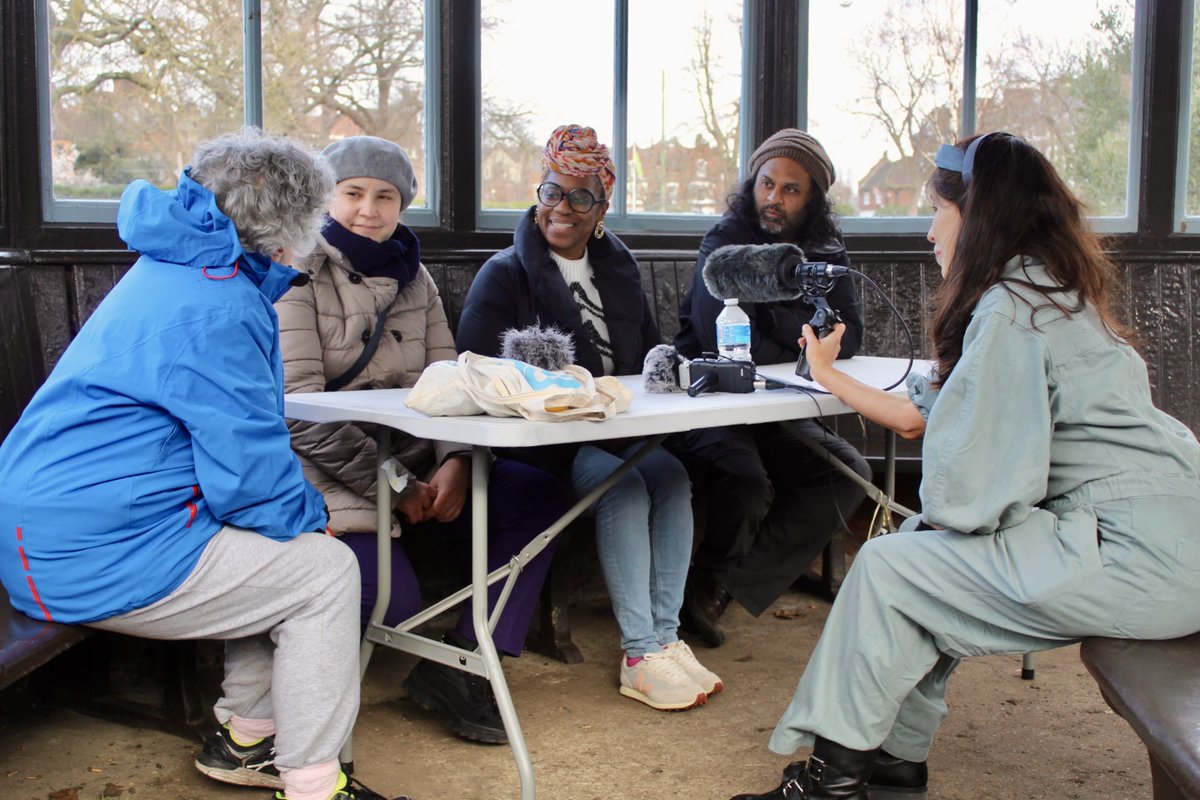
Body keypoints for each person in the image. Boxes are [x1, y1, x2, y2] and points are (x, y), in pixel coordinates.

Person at [727, 132, 1200, 800]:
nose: (928, 232)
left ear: (972, 215)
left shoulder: (1010, 309)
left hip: (1135, 553)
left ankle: (833, 786)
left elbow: (969, 499)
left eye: (936, 210)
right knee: (921, 563)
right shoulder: (1053, 290)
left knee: (890, 566)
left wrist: (940, 482)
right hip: (1171, 535)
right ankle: (889, 766)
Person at [0, 129, 405, 800]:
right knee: (325, 571)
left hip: (46, 529)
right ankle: (312, 785)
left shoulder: (175, 265)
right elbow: (247, 472)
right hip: (84, 550)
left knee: (278, 547)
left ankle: (244, 739)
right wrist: (310, 522)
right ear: (291, 225)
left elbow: (238, 475)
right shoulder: (220, 301)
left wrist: (291, 522)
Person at [275, 135, 569, 746]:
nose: (368, 210)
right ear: (328, 197)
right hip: (326, 475)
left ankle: (462, 665)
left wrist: (457, 462)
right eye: (353, 193)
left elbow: (452, 384)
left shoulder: (418, 280)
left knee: (537, 497)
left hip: (413, 465)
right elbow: (297, 413)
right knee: (396, 604)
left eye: (386, 196)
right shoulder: (295, 271)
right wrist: (397, 486)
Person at [455, 124, 721, 712]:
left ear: (602, 206)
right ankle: (638, 653)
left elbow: (644, 361)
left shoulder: (617, 272)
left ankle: (666, 638)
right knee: (622, 486)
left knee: (673, 477)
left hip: (616, 426)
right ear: (537, 192)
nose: (562, 208)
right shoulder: (505, 274)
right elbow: (474, 370)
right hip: (543, 440)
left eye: (580, 196)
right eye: (553, 191)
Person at [670, 128, 872, 648]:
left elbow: (847, 335)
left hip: (781, 407)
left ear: (813, 198)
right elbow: (728, 339)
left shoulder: (825, 248)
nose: (774, 198)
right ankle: (708, 581)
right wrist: (798, 328)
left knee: (849, 473)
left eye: (791, 189)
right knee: (746, 479)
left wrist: (769, 323)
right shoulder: (725, 243)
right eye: (767, 184)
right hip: (715, 404)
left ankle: (722, 585)